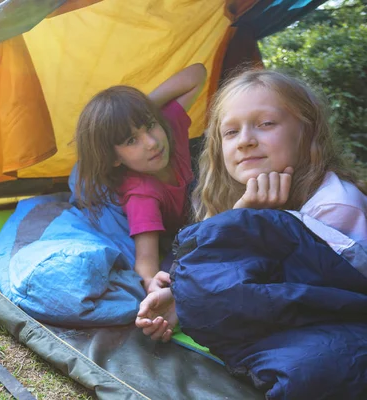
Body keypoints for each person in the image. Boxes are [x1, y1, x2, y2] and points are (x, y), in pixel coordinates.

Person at [136, 69, 367, 342]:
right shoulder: (224, 194)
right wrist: (179, 297)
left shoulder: (336, 207)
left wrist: (250, 223)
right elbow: (221, 271)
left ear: (307, 130)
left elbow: (317, 305)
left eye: (267, 123)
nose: (245, 140)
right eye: (231, 132)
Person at [74, 63, 207, 293]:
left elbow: (197, 73)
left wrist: (137, 112)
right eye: (131, 140)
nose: (152, 143)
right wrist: (150, 283)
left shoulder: (168, 128)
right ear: (114, 158)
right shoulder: (142, 193)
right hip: (180, 227)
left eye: (150, 126)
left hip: (195, 195)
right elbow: (146, 258)